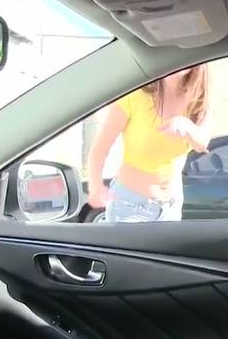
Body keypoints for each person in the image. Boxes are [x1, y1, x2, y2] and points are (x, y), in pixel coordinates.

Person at [86, 65, 210, 222]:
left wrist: (186, 126)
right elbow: (99, 149)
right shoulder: (134, 95)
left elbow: (202, 144)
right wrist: (95, 186)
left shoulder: (198, 98)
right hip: (129, 206)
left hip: (171, 206)